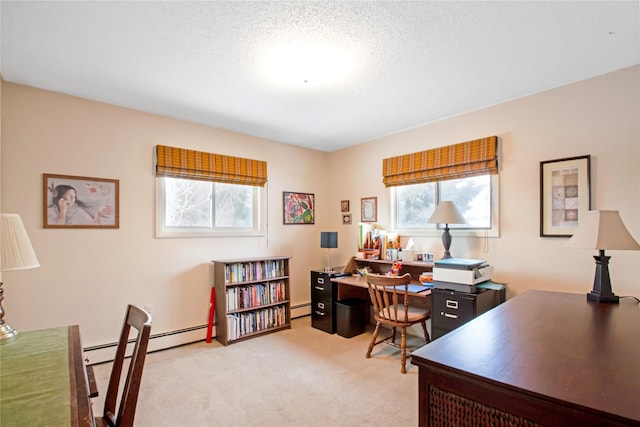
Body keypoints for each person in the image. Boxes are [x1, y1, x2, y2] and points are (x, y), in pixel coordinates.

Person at [48, 184, 113, 225]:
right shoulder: (51, 211)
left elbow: (93, 225)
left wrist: (98, 214)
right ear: (60, 197)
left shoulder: (77, 211)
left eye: (74, 196)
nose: (73, 199)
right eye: (70, 196)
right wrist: (63, 211)